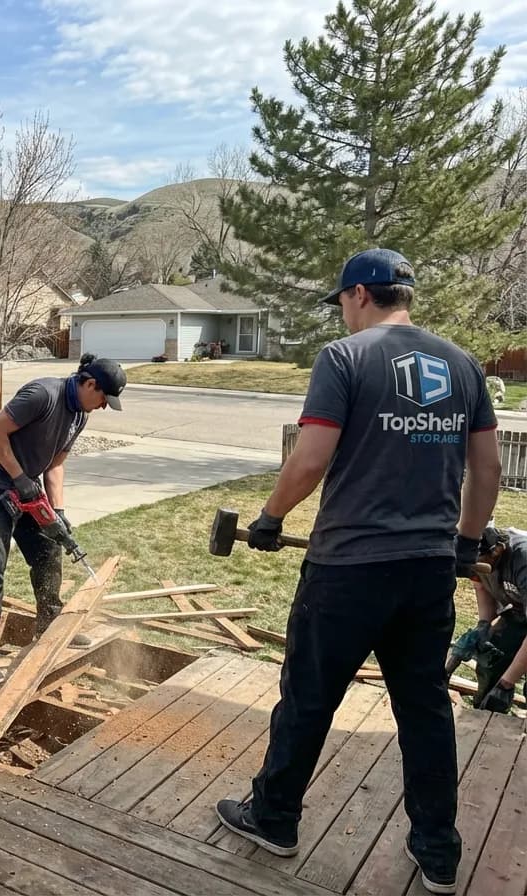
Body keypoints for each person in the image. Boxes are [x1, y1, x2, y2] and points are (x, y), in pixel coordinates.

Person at [214, 248, 501, 896]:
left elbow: (311, 457)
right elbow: (489, 472)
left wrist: (268, 516)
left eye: (341, 302)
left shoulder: (345, 359)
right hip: (429, 572)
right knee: (424, 710)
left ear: (361, 296)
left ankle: (274, 818)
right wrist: (465, 544)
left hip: (347, 570)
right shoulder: (462, 365)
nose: (342, 313)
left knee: (309, 700)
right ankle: (438, 854)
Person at [0, 352, 126, 685]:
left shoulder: (80, 415)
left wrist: (58, 511)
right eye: (103, 399)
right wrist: (19, 478)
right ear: (90, 383)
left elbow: (55, 464)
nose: (103, 406)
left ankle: (49, 623)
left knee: (49, 550)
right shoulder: (42, 395)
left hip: (26, 485)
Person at [468, 526, 527, 713]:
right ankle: (486, 713)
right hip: (519, 610)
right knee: (491, 658)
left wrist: (506, 684)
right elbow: (482, 589)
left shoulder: (523, 560)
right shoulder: (472, 556)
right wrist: (483, 626)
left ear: (498, 550)